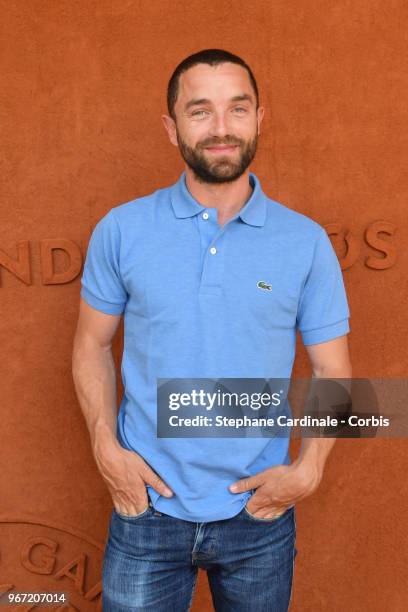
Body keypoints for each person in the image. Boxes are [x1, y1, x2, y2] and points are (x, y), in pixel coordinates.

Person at [72, 48, 352, 612]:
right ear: (171, 127)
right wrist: (106, 447)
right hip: (146, 509)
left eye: (237, 109)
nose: (222, 129)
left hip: (260, 516)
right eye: (200, 111)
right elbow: (91, 345)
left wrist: (310, 469)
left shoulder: (305, 241)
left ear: (259, 119)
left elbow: (333, 370)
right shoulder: (121, 229)